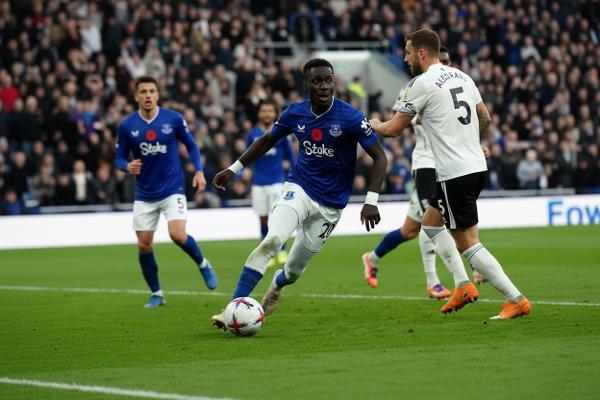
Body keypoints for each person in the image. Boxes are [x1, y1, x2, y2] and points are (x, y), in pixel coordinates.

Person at [211, 58, 387, 329]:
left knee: (293, 271)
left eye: (328, 80)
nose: (324, 86)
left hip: (331, 205)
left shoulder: (351, 117)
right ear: (306, 85)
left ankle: (277, 285)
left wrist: (371, 200)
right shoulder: (295, 113)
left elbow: (380, 157)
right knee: (273, 240)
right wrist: (234, 168)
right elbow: (267, 140)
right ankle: (231, 310)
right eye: (317, 81)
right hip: (300, 188)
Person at [370, 30, 531, 320]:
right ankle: (461, 285)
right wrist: (471, 143)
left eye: (408, 52)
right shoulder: (463, 77)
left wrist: (374, 124)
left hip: (453, 173)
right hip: (476, 166)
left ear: (421, 53)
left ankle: (515, 299)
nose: (405, 58)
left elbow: (394, 129)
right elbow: (485, 117)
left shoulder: (420, 84)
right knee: (430, 223)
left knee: (467, 243)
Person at [115, 75, 217, 308]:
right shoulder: (127, 125)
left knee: (177, 235)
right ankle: (157, 294)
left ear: (158, 95)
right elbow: (119, 157)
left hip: (172, 187)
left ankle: (203, 263)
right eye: (143, 92)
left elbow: (191, 145)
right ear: (136, 96)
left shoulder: (173, 118)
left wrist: (199, 171)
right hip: (145, 192)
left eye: (152, 91)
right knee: (144, 244)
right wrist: (126, 166)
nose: (148, 95)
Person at [361, 46, 453, 299]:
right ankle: (435, 282)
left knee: (410, 230)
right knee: (433, 222)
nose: (444, 65)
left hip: (447, 164)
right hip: (426, 165)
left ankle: (372, 257)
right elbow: (401, 120)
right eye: (441, 60)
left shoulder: (456, 86)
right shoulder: (416, 87)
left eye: (447, 61)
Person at [245, 99, 295, 268]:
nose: (266, 114)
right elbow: (246, 156)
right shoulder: (252, 134)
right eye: (263, 111)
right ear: (259, 114)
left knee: (277, 219)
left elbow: (291, 157)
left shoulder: (281, 133)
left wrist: (296, 174)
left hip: (276, 182)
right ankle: (266, 253)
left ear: (275, 114)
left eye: (269, 111)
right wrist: (243, 172)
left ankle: (282, 250)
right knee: (263, 219)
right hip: (258, 183)